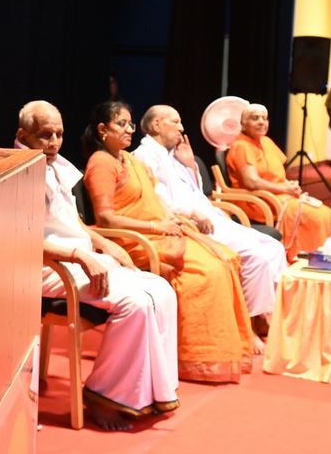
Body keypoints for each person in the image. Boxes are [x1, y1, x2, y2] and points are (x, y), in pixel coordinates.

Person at [15, 101, 180, 431]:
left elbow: (72, 223)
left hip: (81, 258)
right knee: (135, 304)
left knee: (161, 290)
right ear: (23, 135)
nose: (54, 142)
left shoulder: (57, 167)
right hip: (48, 267)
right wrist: (82, 256)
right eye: (45, 135)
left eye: (59, 134)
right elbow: (21, 239)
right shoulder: (16, 174)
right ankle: (104, 396)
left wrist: (104, 243)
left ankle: (147, 395)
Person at [81, 101, 258, 383]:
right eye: (121, 124)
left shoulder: (129, 160)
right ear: (103, 129)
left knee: (225, 257)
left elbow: (155, 199)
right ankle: (195, 357)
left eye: (130, 123)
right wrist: (156, 226)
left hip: (159, 232)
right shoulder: (101, 163)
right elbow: (106, 219)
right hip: (134, 242)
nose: (130, 129)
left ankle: (226, 348)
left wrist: (171, 218)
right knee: (207, 273)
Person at [133, 105, 287, 339]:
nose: (181, 128)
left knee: (274, 248)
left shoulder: (171, 154)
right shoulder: (145, 156)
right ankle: (248, 323)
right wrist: (193, 213)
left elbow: (195, 191)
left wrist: (190, 165)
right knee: (257, 256)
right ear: (156, 125)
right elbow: (157, 200)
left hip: (210, 216)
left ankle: (263, 313)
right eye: (175, 122)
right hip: (190, 223)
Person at [226, 104, 331, 262]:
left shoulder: (266, 141)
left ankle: (314, 255)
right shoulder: (241, 146)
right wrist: (284, 189)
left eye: (264, 118)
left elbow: (277, 174)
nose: (261, 122)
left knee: (325, 213)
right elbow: (252, 182)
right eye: (255, 118)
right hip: (258, 201)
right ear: (243, 124)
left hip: (278, 195)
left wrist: (290, 186)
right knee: (317, 216)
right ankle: (306, 257)